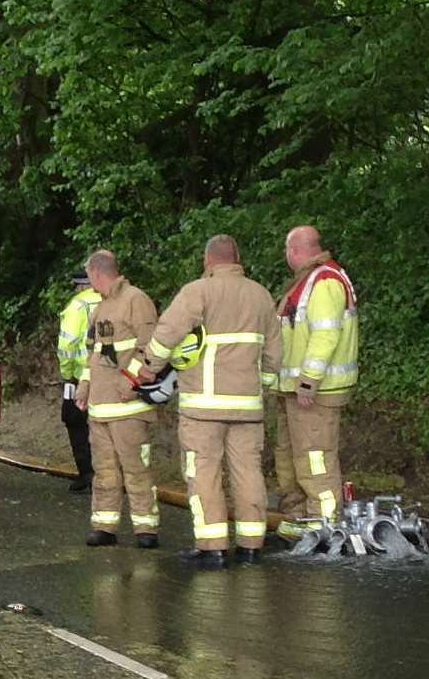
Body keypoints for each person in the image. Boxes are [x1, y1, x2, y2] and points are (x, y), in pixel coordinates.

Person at [138, 234, 282, 569]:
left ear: (207, 260)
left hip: (203, 408)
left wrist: (149, 368)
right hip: (247, 407)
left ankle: (212, 546)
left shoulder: (197, 291)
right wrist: (261, 386)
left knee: (203, 474)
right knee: (248, 473)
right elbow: (275, 353)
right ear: (237, 258)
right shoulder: (260, 295)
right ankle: (251, 546)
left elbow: (167, 333)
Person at [273, 225, 358, 538]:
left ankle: (324, 525)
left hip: (315, 391)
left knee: (314, 456)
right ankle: (298, 518)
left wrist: (309, 380)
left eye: (286, 250)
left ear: (294, 250)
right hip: (294, 390)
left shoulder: (324, 281)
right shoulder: (308, 282)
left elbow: (325, 333)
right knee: (291, 455)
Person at [75, 250, 160, 548]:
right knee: (105, 472)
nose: (89, 282)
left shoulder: (137, 300)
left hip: (128, 407)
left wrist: (132, 380)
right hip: (100, 409)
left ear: (98, 273)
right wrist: (84, 387)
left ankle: (146, 529)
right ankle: (104, 526)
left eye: (89, 276)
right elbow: (92, 355)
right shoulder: (99, 309)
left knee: (136, 469)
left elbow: (150, 348)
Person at [56, 269, 102, 493]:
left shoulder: (78, 305)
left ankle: (87, 473)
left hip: (80, 375)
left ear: (80, 285)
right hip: (111, 375)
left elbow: (67, 345)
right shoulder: (113, 300)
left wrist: (67, 374)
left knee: (75, 421)